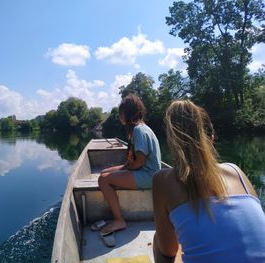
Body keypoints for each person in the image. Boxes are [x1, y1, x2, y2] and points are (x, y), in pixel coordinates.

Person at [152, 100, 265, 263]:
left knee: (159, 242)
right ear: (212, 138)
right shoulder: (236, 171)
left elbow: (168, 252)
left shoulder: (162, 180)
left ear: (171, 140)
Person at [95, 94, 161, 238]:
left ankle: (119, 220)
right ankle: (116, 213)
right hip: (144, 172)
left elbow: (140, 162)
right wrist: (121, 169)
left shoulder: (139, 130)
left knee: (104, 180)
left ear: (127, 113)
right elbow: (134, 161)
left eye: (120, 113)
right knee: (103, 173)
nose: (119, 116)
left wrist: (122, 171)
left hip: (148, 176)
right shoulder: (139, 128)